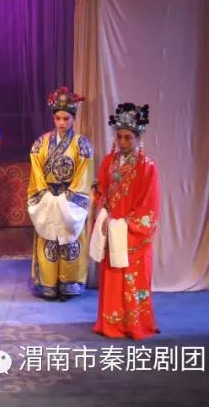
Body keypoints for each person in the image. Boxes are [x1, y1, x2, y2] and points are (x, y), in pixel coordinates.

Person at [91, 103, 160, 340]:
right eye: (119, 136)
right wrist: (105, 215)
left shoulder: (147, 167)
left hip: (131, 232)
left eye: (128, 137)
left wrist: (123, 224)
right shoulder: (108, 162)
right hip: (112, 228)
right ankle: (110, 322)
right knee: (112, 275)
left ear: (138, 137)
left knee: (132, 277)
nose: (122, 142)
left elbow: (148, 205)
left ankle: (135, 324)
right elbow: (101, 192)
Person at [27, 86, 94, 299]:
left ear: (73, 118)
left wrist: (67, 199)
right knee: (49, 240)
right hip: (47, 197)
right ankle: (47, 283)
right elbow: (36, 173)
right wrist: (46, 197)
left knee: (70, 241)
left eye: (66, 118)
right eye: (58, 118)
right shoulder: (40, 144)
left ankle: (69, 282)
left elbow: (84, 175)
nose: (62, 123)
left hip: (70, 200)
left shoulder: (82, 145)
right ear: (53, 118)